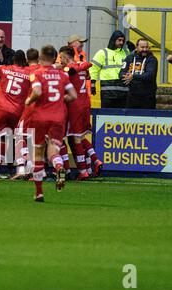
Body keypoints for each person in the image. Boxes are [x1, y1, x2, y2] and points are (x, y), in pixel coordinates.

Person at [24, 45, 77, 202]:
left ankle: (39, 192)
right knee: (53, 149)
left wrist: (29, 100)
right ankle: (59, 167)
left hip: (40, 117)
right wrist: (60, 100)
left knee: (38, 152)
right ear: (54, 58)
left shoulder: (37, 73)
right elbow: (73, 95)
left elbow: (38, 92)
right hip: (58, 117)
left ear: (40, 57)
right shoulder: (62, 75)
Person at [0, 50, 30, 179]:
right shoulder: (29, 74)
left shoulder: (3, 69)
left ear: (13, 59)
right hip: (17, 112)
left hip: (1, 108)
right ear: (24, 61)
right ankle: (18, 169)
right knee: (13, 139)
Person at [59, 46, 104, 181]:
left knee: (73, 138)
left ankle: (82, 171)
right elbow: (87, 68)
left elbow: (66, 77)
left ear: (66, 57)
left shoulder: (69, 70)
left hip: (74, 106)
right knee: (81, 136)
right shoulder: (82, 66)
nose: (60, 60)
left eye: (61, 57)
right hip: (85, 104)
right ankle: (94, 162)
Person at [12, 48, 41, 180]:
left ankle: (25, 167)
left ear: (27, 60)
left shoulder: (25, 71)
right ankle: (36, 170)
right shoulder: (44, 70)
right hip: (44, 109)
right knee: (37, 140)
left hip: (30, 108)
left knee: (19, 135)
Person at [90, 30, 130, 108]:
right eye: (119, 40)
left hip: (123, 88)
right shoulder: (102, 53)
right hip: (107, 90)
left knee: (121, 115)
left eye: (122, 40)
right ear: (113, 39)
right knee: (106, 114)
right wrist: (93, 83)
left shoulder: (126, 53)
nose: (121, 42)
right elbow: (94, 68)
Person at [119, 38, 158, 109]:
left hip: (147, 97)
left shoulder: (152, 59)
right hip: (131, 96)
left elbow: (150, 75)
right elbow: (121, 73)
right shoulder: (129, 58)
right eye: (142, 47)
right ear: (137, 47)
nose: (145, 49)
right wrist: (126, 76)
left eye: (146, 47)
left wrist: (133, 76)